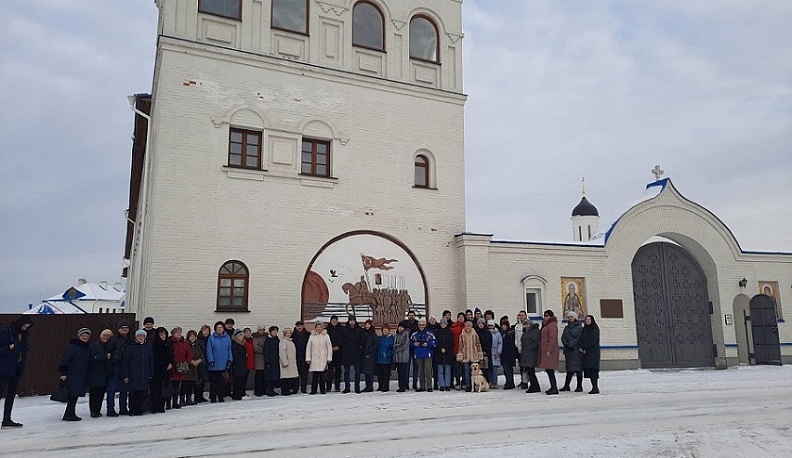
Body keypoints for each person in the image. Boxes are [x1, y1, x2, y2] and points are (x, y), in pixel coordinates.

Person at [0, 316, 33, 428]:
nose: (24, 328)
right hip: (4, 367)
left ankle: (7, 419)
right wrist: (9, 348)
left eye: (27, 327)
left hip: (17, 366)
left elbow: (23, 347)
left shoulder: (24, 334)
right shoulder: (7, 331)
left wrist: (16, 347)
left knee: (11, 394)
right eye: (24, 326)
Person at [59, 327, 92, 421]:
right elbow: (65, 359)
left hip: (81, 374)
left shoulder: (86, 347)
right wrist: (63, 372)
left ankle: (69, 413)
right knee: (72, 394)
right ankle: (69, 414)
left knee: (75, 395)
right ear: (79, 336)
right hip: (73, 374)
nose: (85, 337)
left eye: (87, 336)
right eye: (83, 335)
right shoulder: (73, 346)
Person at [122, 329, 153, 416]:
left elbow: (151, 361)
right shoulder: (130, 347)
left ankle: (140, 409)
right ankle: (132, 409)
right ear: (136, 337)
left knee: (142, 392)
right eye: (139, 336)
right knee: (133, 392)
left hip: (144, 373)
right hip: (133, 374)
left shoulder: (147, 347)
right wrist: (125, 375)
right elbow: (125, 362)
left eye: (142, 336)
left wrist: (151, 373)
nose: (140, 337)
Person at [87, 329, 114, 418]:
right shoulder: (94, 346)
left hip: (104, 373)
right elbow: (92, 358)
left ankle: (97, 410)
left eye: (108, 336)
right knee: (94, 393)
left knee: (101, 393)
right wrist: (104, 357)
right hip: (94, 373)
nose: (106, 337)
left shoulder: (110, 346)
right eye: (104, 335)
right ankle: (93, 411)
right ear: (100, 335)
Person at [107, 319, 131, 416]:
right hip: (115, 367)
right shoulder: (113, 340)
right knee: (111, 389)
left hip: (126, 367)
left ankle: (123, 408)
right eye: (122, 328)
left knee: (124, 389)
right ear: (118, 329)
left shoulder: (131, 339)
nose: (124, 329)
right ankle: (110, 409)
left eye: (126, 328)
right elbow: (109, 354)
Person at [206, 321, 232, 403]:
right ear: (215, 329)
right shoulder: (211, 338)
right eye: (218, 328)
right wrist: (211, 360)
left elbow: (229, 350)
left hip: (224, 363)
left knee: (222, 382)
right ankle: (213, 397)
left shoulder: (227, 338)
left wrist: (230, 359)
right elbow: (209, 350)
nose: (219, 329)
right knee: (214, 382)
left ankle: (221, 397)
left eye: (221, 328)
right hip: (214, 364)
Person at [306, 321, 332, 395]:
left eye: (320, 327)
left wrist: (329, 358)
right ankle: (313, 390)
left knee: (323, 376)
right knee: (315, 376)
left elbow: (329, 347)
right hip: (314, 358)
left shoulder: (326, 336)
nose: (319, 328)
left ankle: (322, 390)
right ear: (315, 327)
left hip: (323, 358)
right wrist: (308, 358)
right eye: (317, 327)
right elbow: (308, 347)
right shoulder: (312, 336)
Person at [457, 320, 483, 392]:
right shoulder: (462, 334)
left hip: (474, 355)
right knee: (467, 372)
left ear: (471, 326)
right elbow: (460, 345)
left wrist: (479, 353)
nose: (467, 327)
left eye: (469, 326)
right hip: (465, 355)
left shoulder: (475, 334)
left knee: (476, 372)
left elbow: (478, 344)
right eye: (466, 326)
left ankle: (475, 386)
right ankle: (468, 386)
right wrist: (460, 355)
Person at [170, 327, 193, 408]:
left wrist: (187, 362)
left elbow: (189, 353)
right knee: (173, 385)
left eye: (180, 332)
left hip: (183, 366)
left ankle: (180, 400)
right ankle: (171, 402)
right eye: (177, 333)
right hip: (173, 367)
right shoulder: (170, 343)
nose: (179, 334)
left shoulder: (185, 343)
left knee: (183, 383)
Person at [560, 311, 583, 392]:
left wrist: (571, 344)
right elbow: (563, 338)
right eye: (569, 317)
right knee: (569, 369)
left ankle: (579, 386)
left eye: (571, 317)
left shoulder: (580, 327)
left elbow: (578, 338)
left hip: (576, 351)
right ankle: (566, 386)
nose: (570, 318)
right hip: (568, 352)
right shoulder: (566, 328)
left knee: (578, 370)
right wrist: (566, 344)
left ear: (575, 318)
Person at [150, 327, 172, 412]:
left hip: (166, 370)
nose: (163, 336)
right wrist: (164, 364)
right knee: (155, 389)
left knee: (164, 389)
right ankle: (154, 406)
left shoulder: (168, 344)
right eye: (161, 334)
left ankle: (161, 406)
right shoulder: (154, 345)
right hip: (157, 370)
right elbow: (154, 358)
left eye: (164, 334)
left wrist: (170, 363)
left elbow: (171, 355)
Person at [411, 318, 436, 392]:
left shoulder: (430, 333)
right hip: (418, 354)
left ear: (425, 325)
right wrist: (414, 344)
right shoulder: (414, 334)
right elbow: (410, 343)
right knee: (420, 371)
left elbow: (435, 342)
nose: (421, 326)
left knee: (428, 370)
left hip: (427, 354)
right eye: (420, 325)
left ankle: (429, 386)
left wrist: (428, 344)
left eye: (423, 325)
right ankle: (422, 386)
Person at [340, 316, 363, 394]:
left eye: (353, 320)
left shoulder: (359, 329)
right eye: (350, 320)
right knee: (346, 370)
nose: (352, 322)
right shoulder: (344, 329)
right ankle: (347, 387)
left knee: (357, 371)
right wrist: (345, 341)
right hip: (347, 352)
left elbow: (363, 340)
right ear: (348, 321)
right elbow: (341, 340)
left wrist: (357, 340)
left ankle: (357, 387)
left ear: (355, 321)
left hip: (356, 352)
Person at [579, 315, 601, 394]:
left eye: (589, 319)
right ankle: (593, 387)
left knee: (593, 370)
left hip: (593, 352)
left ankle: (595, 387)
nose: (587, 321)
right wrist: (581, 347)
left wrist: (584, 347)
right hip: (586, 353)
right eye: (586, 319)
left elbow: (593, 340)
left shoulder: (594, 328)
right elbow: (581, 338)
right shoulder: (584, 329)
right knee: (589, 369)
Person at [539, 310, 560, 395]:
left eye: (547, 315)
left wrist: (549, 349)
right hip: (546, 350)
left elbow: (552, 338)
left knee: (550, 369)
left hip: (550, 351)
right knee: (548, 369)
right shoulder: (546, 324)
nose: (545, 317)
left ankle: (554, 388)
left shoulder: (552, 325)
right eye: (544, 315)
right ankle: (553, 387)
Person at [433, 318, 455, 391]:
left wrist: (445, 348)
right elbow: (435, 341)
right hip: (439, 353)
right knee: (440, 370)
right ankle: (442, 385)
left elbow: (451, 342)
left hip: (448, 353)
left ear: (446, 324)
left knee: (448, 370)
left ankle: (447, 385)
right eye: (442, 323)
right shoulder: (437, 332)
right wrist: (440, 348)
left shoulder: (450, 332)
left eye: (444, 323)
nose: (443, 325)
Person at [520, 319, 541, 393]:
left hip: (531, 353)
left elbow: (535, 342)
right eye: (525, 324)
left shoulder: (534, 331)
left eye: (527, 324)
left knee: (531, 371)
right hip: (525, 353)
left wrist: (529, 348)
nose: (526, 326)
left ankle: (535, 386)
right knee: (529, 371)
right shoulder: (525, 332)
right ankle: (533, 385)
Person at [325, 315, 344, 392]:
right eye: (332, 320)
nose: (334, 322)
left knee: (338, 369)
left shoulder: (342, 329)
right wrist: (331, 347)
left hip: (339, 352)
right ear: (330, 321)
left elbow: (344, 339)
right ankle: (328, 386)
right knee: (330, 369)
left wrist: (339, 346)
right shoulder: (326, 330)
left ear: (337, 321)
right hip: (329, 353)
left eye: (335, 320)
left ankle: (337, 386)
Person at [185, 330, 204, 405]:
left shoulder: (197, 345)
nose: (192, 338)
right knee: (188, 384)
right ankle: (188, 398)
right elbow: (185, 355)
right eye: (191, 336)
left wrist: (199, 360)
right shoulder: (186, 345)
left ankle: (197, 397)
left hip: (196, 368)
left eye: (194, 336)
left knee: (195, 383)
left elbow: (201, 355)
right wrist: (191, 361)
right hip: (188, 368)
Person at [499, 318, 518, 390]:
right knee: (505, 368)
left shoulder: (510, 333)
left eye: (505, 325)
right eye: (502, 325)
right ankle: (508, 381)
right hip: (504, 354)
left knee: (508, 369)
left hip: (509, 354)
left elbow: (510, 344)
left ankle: (510, 382)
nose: (503, 327)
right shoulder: (502, 333)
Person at [292, 321, 310, 394]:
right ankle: (295, 388)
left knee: (304, 374)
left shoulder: (308, 335)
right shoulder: (292, 335)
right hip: (295, 358)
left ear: (303, 326)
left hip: (305, 357)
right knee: (295, 375)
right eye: (298, 326)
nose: (299, 327)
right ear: (296, 327)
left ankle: (303, 388)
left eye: (301, 326)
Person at [279, 328, 298, 395]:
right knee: (285, 377)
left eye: (290, 333)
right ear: (284, 334)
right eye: (287, 333)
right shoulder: (283, 341)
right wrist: (285, 362)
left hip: (291, 362)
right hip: (286, 363)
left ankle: (289, 389)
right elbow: (282, 352)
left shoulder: (290, 341)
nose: (289, 334)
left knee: (290, 377)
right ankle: (284, 390)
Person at [194, 324, 211, 402]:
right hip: (200, 362)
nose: (206, 332)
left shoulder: (209, 339)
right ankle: (196, 396)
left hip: (207, 362)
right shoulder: (198, 340)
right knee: (199, 380)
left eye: (207, 331)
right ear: (201, 331)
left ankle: (201, 395)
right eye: (205, 331)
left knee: (203, 379)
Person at [375, 324, 394, 392]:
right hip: (380, 359)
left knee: (386, 374)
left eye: (387, 330)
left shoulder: (391, 338)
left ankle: (385, 386)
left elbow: (392, 349)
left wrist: (387, 355)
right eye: (384, 330)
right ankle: (380, 386)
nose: (385, 331)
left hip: (387, 359)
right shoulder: (380, 338)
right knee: (380, 374)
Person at [393, 321, 411, 392]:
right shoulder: (397, 334)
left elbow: (403, 344)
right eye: (399, 327)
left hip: (403, 356)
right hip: (397, 357)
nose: (400, 328)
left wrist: (395, 347)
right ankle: (400, 385)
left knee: (403, 372)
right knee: (399, 372)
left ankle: (403, 386)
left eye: (402, 327)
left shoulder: (405, 334)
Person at [361, 319, 378, 392]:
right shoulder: (363, 333)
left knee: (370, 371)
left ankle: (370, 386)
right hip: (363, 354)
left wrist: (370, 350)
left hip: (370, 355)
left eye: (368, 324)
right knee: (366, 371)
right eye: (366, 324)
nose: (367, 326)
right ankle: (367, 385)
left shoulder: (373, 334)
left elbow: (376, 344)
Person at [230, 331, 249, 400]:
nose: (242, 338)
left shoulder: (242, 345)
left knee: (241, 380)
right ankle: (236, 395)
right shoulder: (234, 345)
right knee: (237, 381)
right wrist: (243, 357)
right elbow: (235, 356)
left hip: (243, 365)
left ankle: (240, 393)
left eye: (242, 336)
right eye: (240, 336)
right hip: (237, 366)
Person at [263, 326, 281, 396]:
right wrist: (267, 362)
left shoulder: (277, 339)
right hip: (270, 361)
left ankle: (272, 389)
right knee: (269, 376)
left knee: (274, 376)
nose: (275, 333)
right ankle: (269, 390)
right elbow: (266, 351)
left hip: (276, 361)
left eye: (276, 331)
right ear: (270, 332)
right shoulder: (268, 340)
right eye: (274, 331)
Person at [449, 312, 465, 389]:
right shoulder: (453, 327)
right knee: (457, 369)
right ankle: (458, 383)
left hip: (465, 351)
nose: (461, 318)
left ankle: (464, 382)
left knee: (465, 368)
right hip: (456, 350)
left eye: (462, 317)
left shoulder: (467, 327)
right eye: (460, 317)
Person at [252, 325, 267, 396]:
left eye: (263, 330)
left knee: (264, 376)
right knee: (259, 376)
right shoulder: (255, 338)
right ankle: (258, 391)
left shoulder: (266, 337)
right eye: (261, 330)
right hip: (258, 360)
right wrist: (264, 349)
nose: (262, 331)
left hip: (265, 359)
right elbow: (256, 348)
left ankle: (264, 390)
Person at [405, 310, 419, 389]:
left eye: (412, 315)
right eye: (410, 315)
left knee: (416, 367)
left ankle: (414, 383)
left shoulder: (417, 324)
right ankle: (406, 383)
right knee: (406, 367)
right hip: (407, 348)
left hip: (416, 348)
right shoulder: (405, 324)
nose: (411, 317)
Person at [514, 310, 527, 388]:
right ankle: (522, 380)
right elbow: (517, 337)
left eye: (522, 315)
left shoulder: (528, 324)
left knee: (526, 366)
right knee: (521, 365)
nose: (521, 316)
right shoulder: (517, 326)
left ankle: (526, 382)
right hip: (519, 348)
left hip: (526, 348)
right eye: (520, 315)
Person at [487, 320, 502, 387]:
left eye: (491, 325)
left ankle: (495, 382)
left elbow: (500, 343)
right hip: (488, 353)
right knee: (489, 368)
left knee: (494, 369)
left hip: (495, 353)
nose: (490, 327)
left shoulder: (497, 334)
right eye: (489, 325)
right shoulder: (487, 333)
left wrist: (498, 352)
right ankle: (490, 381)